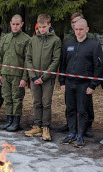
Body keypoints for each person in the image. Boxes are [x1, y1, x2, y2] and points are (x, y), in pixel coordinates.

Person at [59, 19, 103, 148]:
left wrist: (93, 85)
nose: (78, 32)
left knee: (83, 111)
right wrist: (62, 81)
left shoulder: (94, 45)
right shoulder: (68, 44)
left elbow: (99, 67)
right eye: (76, 29)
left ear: (87, 29)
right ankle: (72, 133)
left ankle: (81, 136)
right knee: (70, 109)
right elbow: (63, 64)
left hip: (84, 85)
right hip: (69, 83)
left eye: (81, 29)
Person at [24, 14, 61, 141]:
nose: (42, 29)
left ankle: (46, 126)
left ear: (49, 25)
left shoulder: (55, 40)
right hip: (34, 78)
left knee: (46, 103)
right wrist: (33, 76)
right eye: (40, 27)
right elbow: (28, 59)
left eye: (44, 27)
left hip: (47, 79)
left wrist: (44, 77)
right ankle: (37, 125)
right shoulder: (32, 40)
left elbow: (55, 61)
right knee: (36, 102)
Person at [0, 14, 30, 131]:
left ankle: (16, 122)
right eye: (13, 24)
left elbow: (27, 60)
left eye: (17, 24)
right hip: (5, 73)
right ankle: (9, 120)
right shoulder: (6, 38)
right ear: (10, 23)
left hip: (18, 75)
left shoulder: (26, 39)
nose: (15, 27)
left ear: (21, 24)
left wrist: (24, 78)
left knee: (17, 98)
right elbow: (0, 56)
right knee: (7, 97)